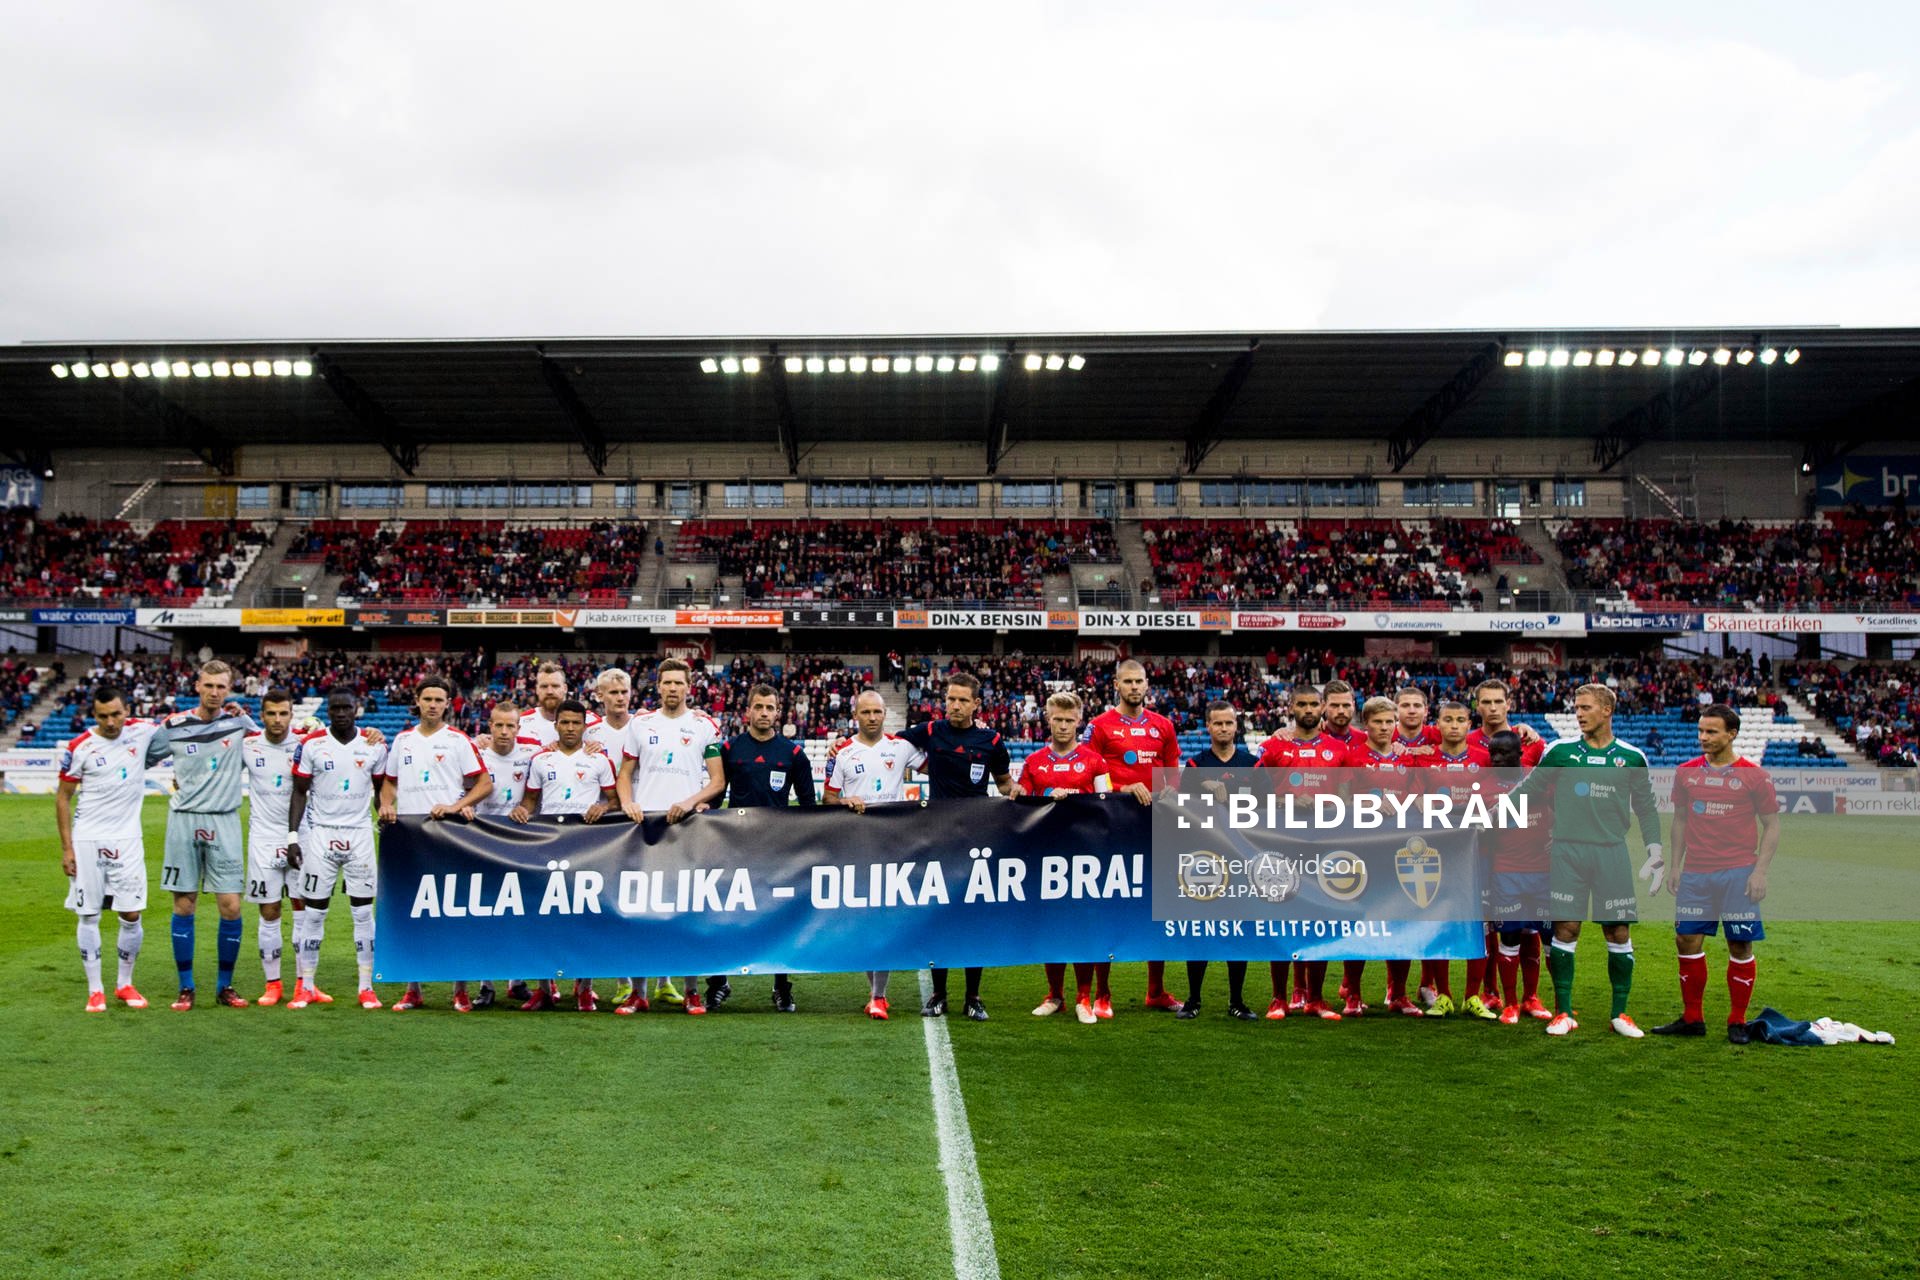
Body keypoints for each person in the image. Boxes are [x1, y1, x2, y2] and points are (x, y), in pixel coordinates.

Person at [1515, 683, 1664, 1038]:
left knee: (1618, 931)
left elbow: (1646, 808)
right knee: (1565, 929)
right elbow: (1528, 792)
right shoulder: (1560, 751)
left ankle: (1620, 1014)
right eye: (1576, 708)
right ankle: (1564, 1012)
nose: (1579, 714)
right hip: (1567, 852)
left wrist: (1655, 852)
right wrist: (1486, 815)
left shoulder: (1631, 757)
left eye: (1585, 708)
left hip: (1611, 852)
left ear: (1607, 710)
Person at [1652, 705, 1781, 1044]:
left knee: (1739, 942)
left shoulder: (1755, 776)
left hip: (1738, 873)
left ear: (1731, 734)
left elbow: (1772, 825)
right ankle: (1692, 1018)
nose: (1703, 737)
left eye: (1711, 732)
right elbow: (1680, 820)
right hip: (1696, 874)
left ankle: (1737, 1021)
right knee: (1686, 940)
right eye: (1700, 731)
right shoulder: (1686, 773)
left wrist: (1760, 872)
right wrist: (1676, 865)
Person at [146, 659, 268, 1011]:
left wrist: (248, 720)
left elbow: (270, 746)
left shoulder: (239, 724)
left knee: (231, 906)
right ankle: (186, 987)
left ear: (229, 689)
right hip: (184, 820)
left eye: (221, 687)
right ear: (197, 685)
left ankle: (224, 986)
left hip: (224, 820)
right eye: (209, 685)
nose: (214, 692)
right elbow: (139, 758)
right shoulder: (174, 726)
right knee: (184, 903)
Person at [899, 670, 1020, 1021]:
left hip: (977, 840)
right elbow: (889, 744)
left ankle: (973, 996)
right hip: (939, 839)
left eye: (962, 700)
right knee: (940, 915)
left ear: (976, 704)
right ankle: (939, 993)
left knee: (973, 918)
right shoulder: (931, 731)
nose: (954, 705)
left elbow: (1004, 784)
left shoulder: (991, 741)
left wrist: (1018, 792)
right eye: (950, 699)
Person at [614, 657, 725, 1015]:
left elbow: (718, 781)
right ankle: (639, 993)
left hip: (688, 828)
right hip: (646, 828)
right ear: (658, 686)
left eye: (679, 682)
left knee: (687, 912)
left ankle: (692, 992)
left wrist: (690, 802)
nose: (673, 688)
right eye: (667, 682)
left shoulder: (705, 725)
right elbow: (625, 773)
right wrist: (628, 802)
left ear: (689, 687)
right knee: (641, 911)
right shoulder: (640, 724)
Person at [378, 675, 491, 1012]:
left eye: (439, 700)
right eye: (427, 699)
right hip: (409, 837)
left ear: (447, 704)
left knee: (455, 912)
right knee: (412, 912)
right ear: (417, 700)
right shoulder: (403, 741)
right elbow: (389, 782)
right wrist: (386, 803)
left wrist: (456, 806)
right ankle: (413, 989)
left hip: (448, 835)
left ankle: (460, 990)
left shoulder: (458, 740)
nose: (432, 705)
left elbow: (484, 783)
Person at [1084, 659, 1181, 1011]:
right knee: (1109, 904)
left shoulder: (1163, 726)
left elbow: (1173, 775)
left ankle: (1155, 991)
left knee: (1158, 905)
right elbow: (1089, 776)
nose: (1135, 687)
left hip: (1155, 827)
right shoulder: (1098, 726)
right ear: (1116, 685)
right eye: (1128, 682)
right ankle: (1102, 993)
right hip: (1112, 827)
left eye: (1139, 681)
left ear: (1147, 684)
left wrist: (1169, 791)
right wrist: (1123, 788)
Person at [824, 688, 928, 1018]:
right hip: (855, 845)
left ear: (885, 714)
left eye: (877, 712)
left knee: (883, 918)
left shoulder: (901, 747)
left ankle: (879, 996)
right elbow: (828, 798)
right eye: (866, 712)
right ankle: (875, 992)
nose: (872, 718)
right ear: (856, 715)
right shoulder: (842, 752)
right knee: (862, 920)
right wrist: (844, 801)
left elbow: (938, 766)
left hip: (892, 844)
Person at [285, 686, 389, 1010]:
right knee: (314, 913)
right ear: (328, 711)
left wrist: (386, 818)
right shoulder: (312, 744)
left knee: (363, 913)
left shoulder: (374, 746)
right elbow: (299, 792)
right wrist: (292, 837)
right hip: (321, 835)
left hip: (360, 836)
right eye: (335, 708)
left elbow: (381, 791)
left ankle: (366, 987)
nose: (341, 713)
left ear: (356, 708)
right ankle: (307, 986)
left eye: (346, 707)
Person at [55, 685, 159, 1011]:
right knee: (89, 914)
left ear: (127, 710)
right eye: (103, 716)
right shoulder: (80, 747)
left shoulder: (143, 731)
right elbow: (63, 798)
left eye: (116, 714)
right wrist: (67, 849)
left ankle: (124, 984)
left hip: (127, 839)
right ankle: (95, 989)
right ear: (94, 715)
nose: (111, 722)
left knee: (131, 913)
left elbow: (182, 725)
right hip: (88, 839)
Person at [512, 700, 618, 1010]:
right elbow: (530, 801)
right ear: (556, 725)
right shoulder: (541, 760)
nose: (570, 728)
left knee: (585, 917)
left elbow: (614, 800)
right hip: (549, 845)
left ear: (584, 726)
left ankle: (585, 989)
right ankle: (545, 989)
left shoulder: (599, 760)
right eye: (565, 722)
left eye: (576, 723)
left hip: (586, 846)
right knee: (545, 918)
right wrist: (521, 810)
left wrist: (603, 807)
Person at [718, 684, 818, 1012]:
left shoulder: (793, 754)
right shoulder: (730, 749)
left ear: (778, 712)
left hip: (778, 849)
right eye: (758, 706)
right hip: (734, 847)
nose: (764, 713)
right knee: (726, 914)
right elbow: (716, 797)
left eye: (769, 707)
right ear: (747, 710)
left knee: (779, 917)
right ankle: (718, 983)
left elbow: (808, 805)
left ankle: (781, 986)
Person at [1254, 683, 1350, 1020]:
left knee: (1320, 921)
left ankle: (1316, 999)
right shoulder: (1272, 747)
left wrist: (1326, 804)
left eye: (1313, 704)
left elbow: (1347, 799)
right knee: (1282, 920)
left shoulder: (1338, 750)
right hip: (1282, 843)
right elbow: (1255, 796)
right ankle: (1278, 998)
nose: (1308, 710)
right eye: (1302, 704)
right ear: (1290, 707)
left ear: (1322, 707)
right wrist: (1285, 801)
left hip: (1324, 844)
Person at [1018, 691, 1113, 1025]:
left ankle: (1083, 997)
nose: (1062, 725)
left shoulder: (1095, 762)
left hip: (1085, 854)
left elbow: (1106, 803)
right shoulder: (1033, 762)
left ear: (1079, 721)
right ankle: (1054, 995)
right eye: (1057, 719)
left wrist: (1074, 801)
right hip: (1047, 855)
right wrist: (1046, 795)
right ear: (1047, 719)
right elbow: (1022, 802)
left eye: (1068, 720)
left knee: (1083, 924)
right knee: (1052, 925)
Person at [1177, 699, 1259, 1021]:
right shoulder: (1195, 766)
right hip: (1205, 859)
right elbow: (1182, 809)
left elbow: (1268, 810)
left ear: (1236, 726)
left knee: (1239, 930)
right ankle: (1193, 999)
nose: (1224, 728)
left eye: (1229, 723)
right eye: (1218, 723)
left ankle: (1237, 1001)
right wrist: (1202, 788)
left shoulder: (1253, 764)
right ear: (1208, 727)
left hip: (1241, 858)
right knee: (1199, 929)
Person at [1414, 701, 1491, 1018]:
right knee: (1440, 920)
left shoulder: (1484, 759)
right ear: (1438, 724)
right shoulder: (1424, 759)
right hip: (1440, 852)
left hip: (1478, 852)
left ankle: (1472, 996)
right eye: (1448, 720)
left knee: (1480, 923)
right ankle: (1444, 995)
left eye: (1461, 720)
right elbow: (1415, 800)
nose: (1455, 725)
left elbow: (1494, 799)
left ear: (1470, 724)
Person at [1349, 697, 1423, 1017]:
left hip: (1400, 849)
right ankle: (1353, 994)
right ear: (1365, 724)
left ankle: (1399, 994)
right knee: (1360, 922)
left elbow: (1419, 799)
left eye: (1389, 722)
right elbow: (1338, 800)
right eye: (1377, 722)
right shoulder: (1352, 758)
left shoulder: (1407, 759)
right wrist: (1367, 805)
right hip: (1363, 850)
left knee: (1401, 921)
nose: (1384, 727)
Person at [474, 699, 544, 1009]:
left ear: (518, 727)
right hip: (484, 843)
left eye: (510, 726)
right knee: (486, 914)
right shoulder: (476, 753)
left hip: (521, 843)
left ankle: (517, 981)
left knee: (521, 912)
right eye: (498, 725)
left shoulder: (533, 753)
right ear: (489, 726)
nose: (504, 731)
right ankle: (486, 984)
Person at [1483, 730, 1553, 1025]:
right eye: (1493, 754)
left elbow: (1564, 809)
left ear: (1520, 754)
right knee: (1509, 937)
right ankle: (1510, 1003)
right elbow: (1479, 827)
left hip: (1542, 872)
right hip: (1506, 872)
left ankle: (1532, 998)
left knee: (1538, 935)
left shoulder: (1539, 780)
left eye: (1504, 753)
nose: (1498, 759)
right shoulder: (1484, 786)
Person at [240, 689, 304, 1006]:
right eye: (271, 713)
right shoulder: (248, 746)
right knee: (269, 912)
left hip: (301, 837)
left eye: (283, 713)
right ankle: (273, 984)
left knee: (304, 911)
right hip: (263, 840)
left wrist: (373, 733)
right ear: (262, 715)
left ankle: (305, 984)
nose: (277, 720)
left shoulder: (305, 744)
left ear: (291, 714)